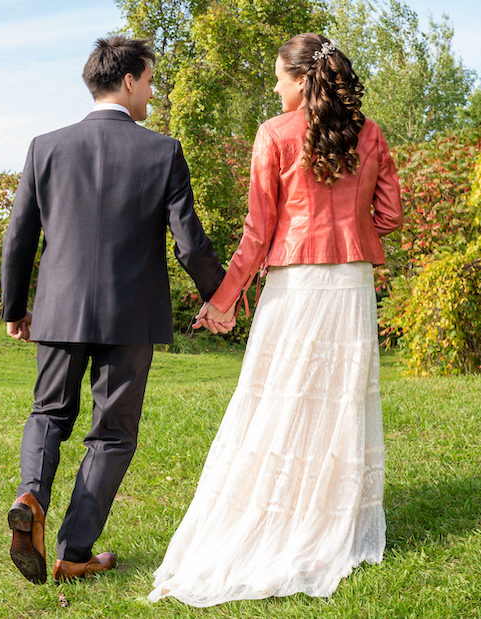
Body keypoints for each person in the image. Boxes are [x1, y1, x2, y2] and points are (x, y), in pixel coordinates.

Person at [147, 32, 403, 606]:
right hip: (351, 283)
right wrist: (354, 231)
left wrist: (223, 299)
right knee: (338, 399)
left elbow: (258, 233)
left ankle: (278, 514)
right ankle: (328, 517)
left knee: (280, 400)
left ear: (299, 79)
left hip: (294, 284)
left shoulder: (275, 134)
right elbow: (390, 213)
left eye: (279, 76)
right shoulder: (369, 133)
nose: (274, 85)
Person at [0, 35, 226, 585]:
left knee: (49, 412)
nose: (151, 92)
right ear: (129, 80)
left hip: (58, 309)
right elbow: (190, 245)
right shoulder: (163, 151)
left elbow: (18, 238)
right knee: (113, 433)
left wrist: (14, 307)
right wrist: (220, 295)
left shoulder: (44, 146)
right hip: (130, 314)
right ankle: (74, 551)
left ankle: (32, 494)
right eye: (149, 81)